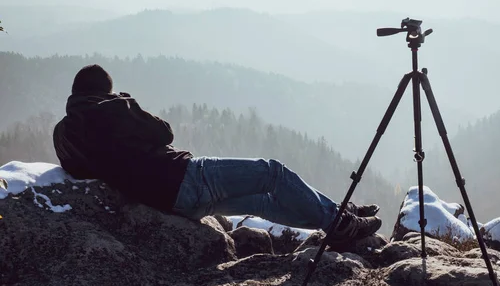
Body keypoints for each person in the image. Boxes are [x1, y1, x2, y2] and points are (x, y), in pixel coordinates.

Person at [53, 64, 382, 244]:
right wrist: (128, 102)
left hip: (173, 204)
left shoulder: (65, 133)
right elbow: (165, 133)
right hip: (185, 176)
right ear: (104, 90)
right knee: (272, 172)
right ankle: (340, 224)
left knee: (261, 202)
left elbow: (79, 169)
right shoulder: (113, 108)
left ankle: (337, 214)